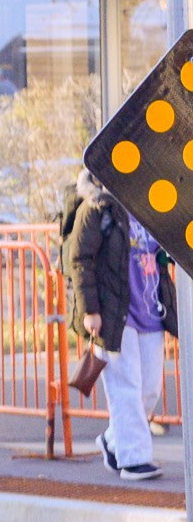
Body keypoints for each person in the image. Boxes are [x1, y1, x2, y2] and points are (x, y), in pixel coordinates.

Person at [72, 169, 174, 480]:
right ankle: (134, 459)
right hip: (116, 314)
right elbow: (79, 259)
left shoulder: (155, 204)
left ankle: (114, 441)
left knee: (149, 391)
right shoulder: (98, 206)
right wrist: (90, 310)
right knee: (126, 387)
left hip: (151, 311)